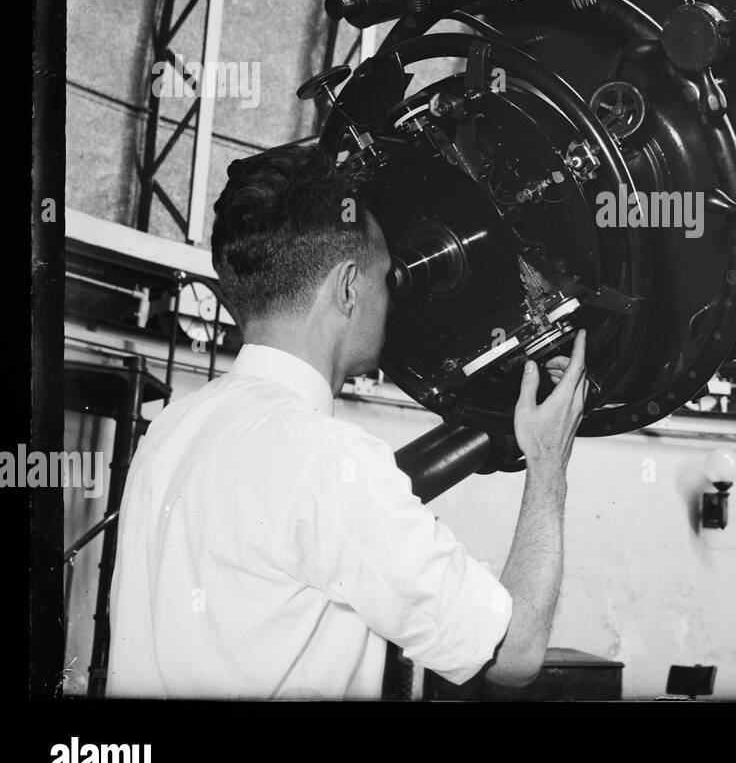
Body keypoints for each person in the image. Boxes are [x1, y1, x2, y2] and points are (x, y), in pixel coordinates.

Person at [107, 145, 586, 698]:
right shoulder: (325, 460)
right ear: (348, 287)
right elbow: (515, 651)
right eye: (387, 279)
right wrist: (549, 461)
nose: (392, 300)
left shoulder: (171, 429)